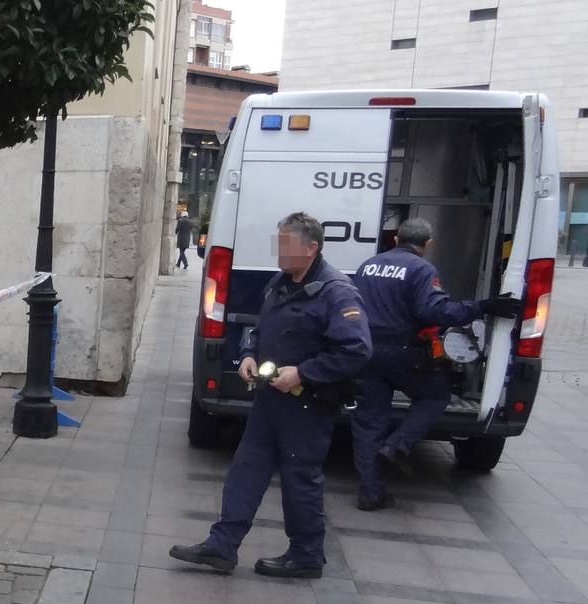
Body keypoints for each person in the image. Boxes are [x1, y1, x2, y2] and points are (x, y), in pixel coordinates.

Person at [170, 212, 371, 579]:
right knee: (246, 470)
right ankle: (222, 547)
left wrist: (304, 373)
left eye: (287, 244)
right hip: (270, 400)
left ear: (311, 248)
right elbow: (260, 329)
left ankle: (307, 555)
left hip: (308, 404)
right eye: (279, 242)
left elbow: (355, 349)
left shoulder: (336, 291)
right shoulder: (281, 283)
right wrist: (249, 353)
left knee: (300, 479)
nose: (280, 251)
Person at [349, 218, 523, 510]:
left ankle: (370, 494)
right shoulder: (421, 269)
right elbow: (435, 311)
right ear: (427, 244)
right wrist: (482, 307)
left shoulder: (369, 265)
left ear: (396, 239)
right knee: (435, 395)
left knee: (369, 424)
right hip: (404, 353)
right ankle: (397, 445)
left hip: (367, 352)